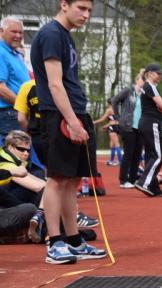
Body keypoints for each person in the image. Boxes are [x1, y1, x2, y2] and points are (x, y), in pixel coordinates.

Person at [30, 0, 106, 264]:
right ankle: (54, 242)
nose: (86, 15)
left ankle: (74, 240)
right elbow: (54, 84)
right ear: (64, 5)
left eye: (89, 10)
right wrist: (72, 121)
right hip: (59, 115)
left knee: (73, 180)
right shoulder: (51, 34)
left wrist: (79, 117)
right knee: (57, 179)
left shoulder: (66, 36)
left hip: (75, 111)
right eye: (81, 8)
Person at [134, 63, 162, 197]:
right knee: (158, 155)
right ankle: (144, 182)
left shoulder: (147, 87)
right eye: (158, 73)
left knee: (150, 155)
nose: (161, 76)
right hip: (152, 123)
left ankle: (153, 187)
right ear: (149, 73)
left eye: (161, 74)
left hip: (146, 123)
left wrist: (160, 107)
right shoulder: (150, 87)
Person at [111, 69, 144, 188]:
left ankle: (133, 180)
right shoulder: (128, 90)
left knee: (137, 154)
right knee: (128, 154)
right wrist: (117, 117)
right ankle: (123, 180)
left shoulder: (145, 94)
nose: (144, 82)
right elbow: (114, 100)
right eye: (143, 79)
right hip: (127, 127)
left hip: (140, 128)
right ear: (137, 80)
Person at [0, 17, 27, 144]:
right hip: (8, 114)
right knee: (12, 154)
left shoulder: (14, 53)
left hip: (15, 113)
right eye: (14, 32)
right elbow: (1, 89)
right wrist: (23, 107)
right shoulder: (1, 52)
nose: (18, 36)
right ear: (1, 31)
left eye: (20, 32)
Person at [14, 78, 46, 168]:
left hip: (37, 135)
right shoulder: (61, 84)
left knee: (47, 168)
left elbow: (21, 118)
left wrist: (28, 133)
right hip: (58, 134)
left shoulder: (27, 86)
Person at [94, 99, 121, 166]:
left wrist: (93, 122)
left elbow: (102, 119)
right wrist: (106, 126)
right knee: (112, 144)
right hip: (117, 127)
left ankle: (120, 161)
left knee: (116, 144)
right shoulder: (117, 109)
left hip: (112, 127)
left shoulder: (109, 110)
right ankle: (111, 160)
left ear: (109, 103)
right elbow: (114, 120)